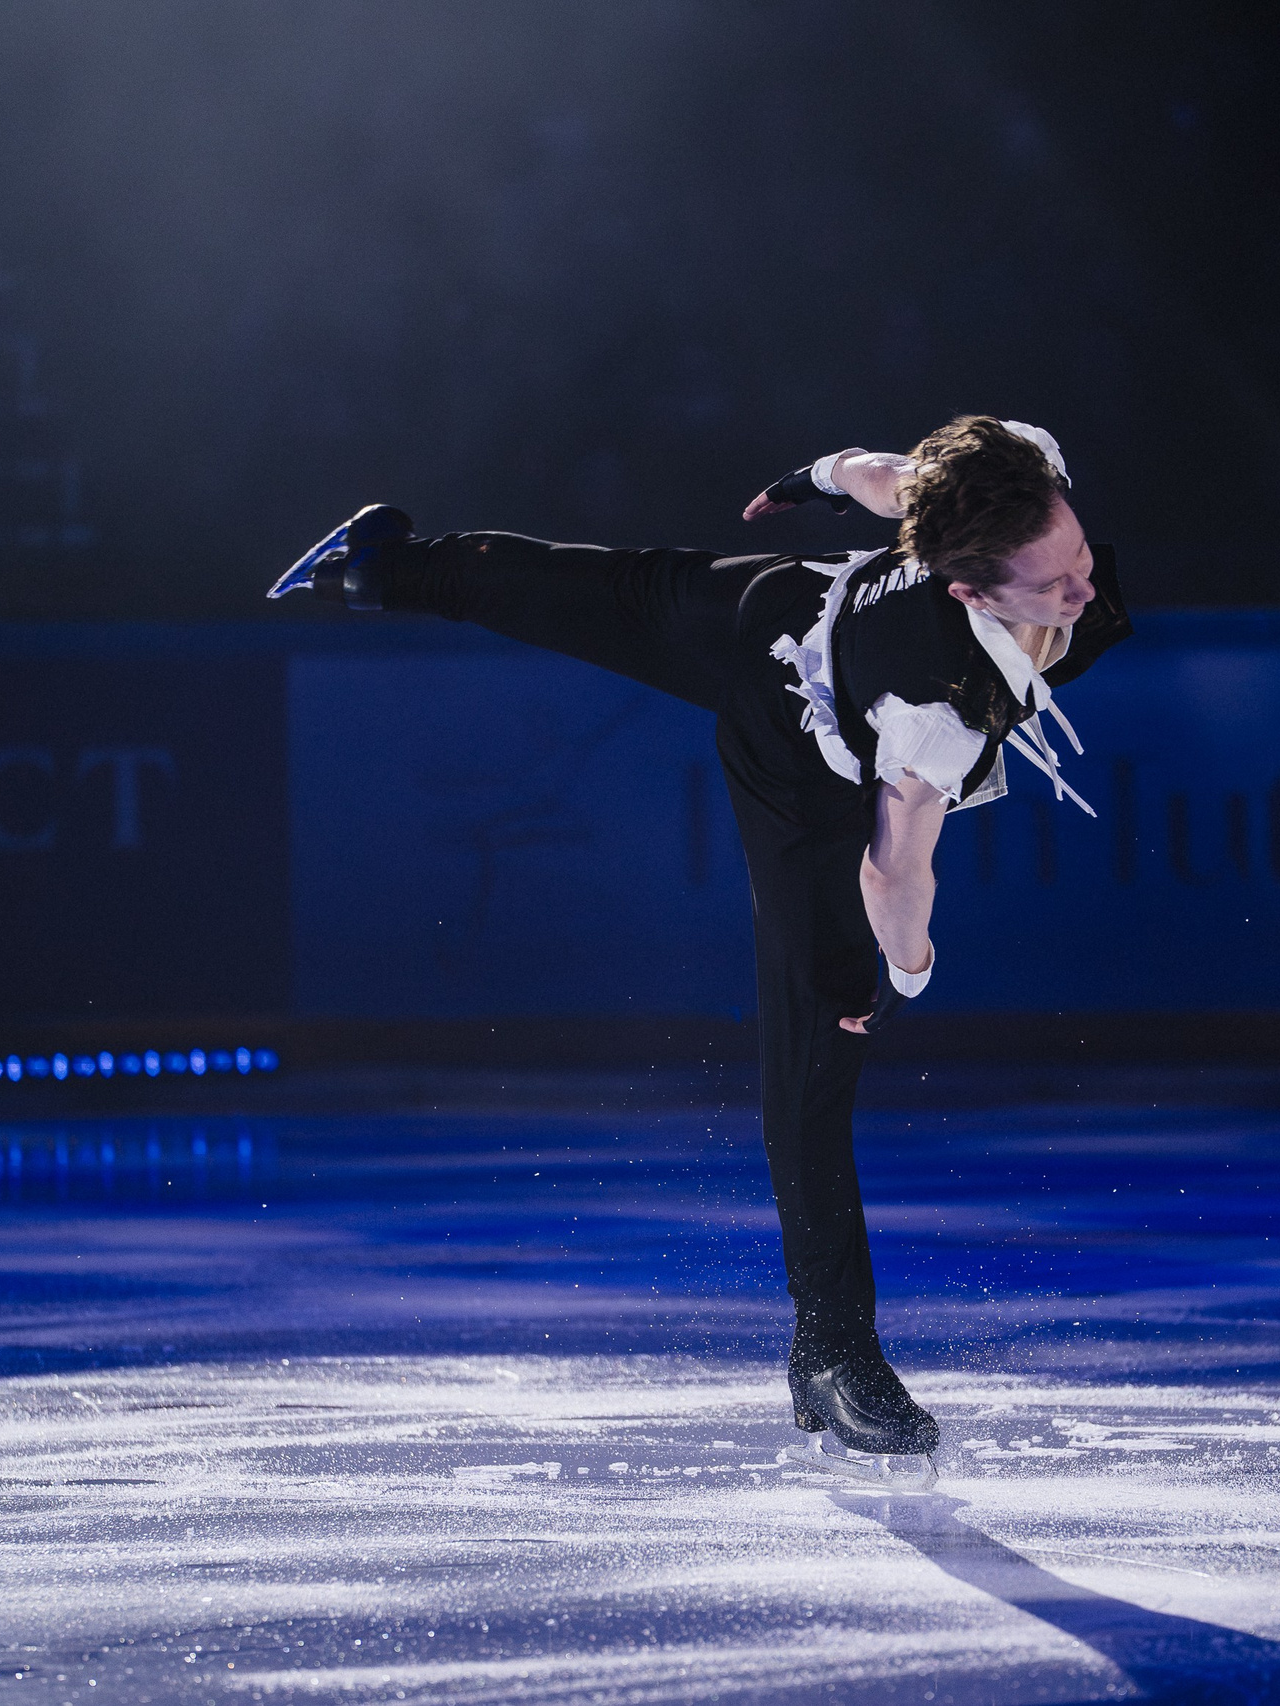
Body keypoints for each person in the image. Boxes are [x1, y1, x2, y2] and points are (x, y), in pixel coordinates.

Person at [267, 417, 1132, 1483]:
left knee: (611, 590)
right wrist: (903, 970)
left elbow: (884, 475)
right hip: (797, 738)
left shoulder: (1005, 479)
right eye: (1051, 586)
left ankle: (384, 572)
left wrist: (810, 476)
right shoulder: (937, 700)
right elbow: (894, 870)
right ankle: (833, 1350)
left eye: (1080, 559)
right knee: (823, 1029)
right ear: (969, 591)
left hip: (790, 599)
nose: (1081, 587)